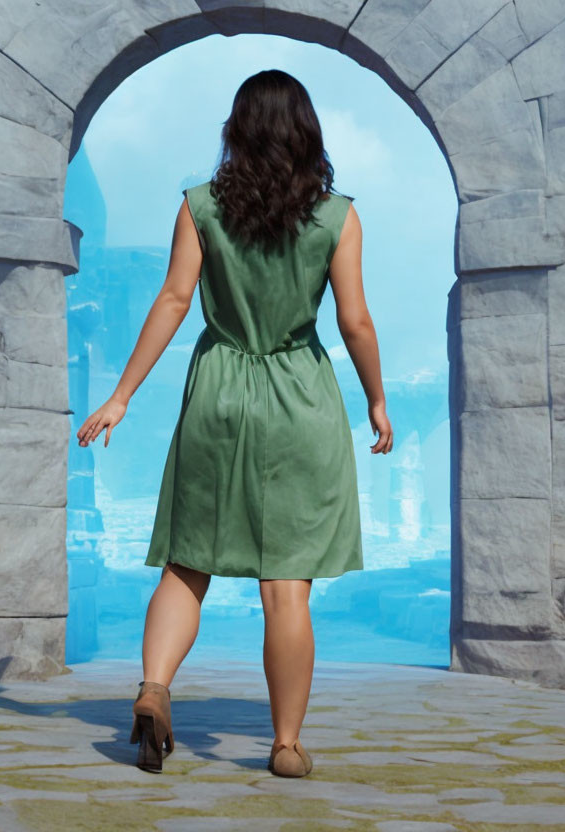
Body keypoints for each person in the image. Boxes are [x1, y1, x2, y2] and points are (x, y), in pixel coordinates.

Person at [75, 69, 392, 778]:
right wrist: (375, 399)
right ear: (307, 132)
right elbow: (356, 321)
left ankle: (155, 688)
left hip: (218, 392)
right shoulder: (337, 216)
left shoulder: (200, 207)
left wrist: (122, 395)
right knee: (286, 585)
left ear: (235, 131)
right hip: (300, 399)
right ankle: (283, 744)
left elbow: (173, 299)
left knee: (187, 564)